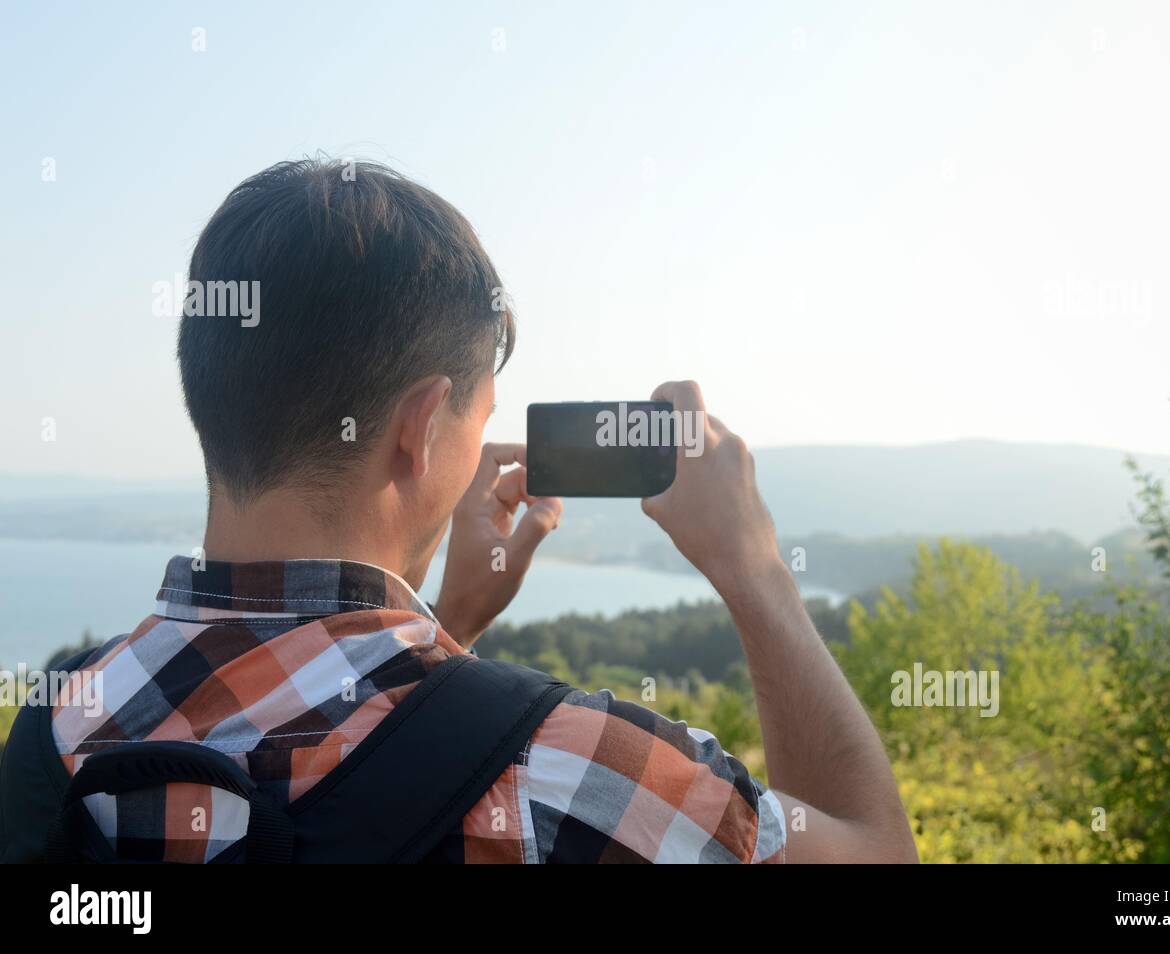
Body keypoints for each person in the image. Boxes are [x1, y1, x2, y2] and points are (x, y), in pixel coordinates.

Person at [0, 159, 915, 864]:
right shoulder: (572, 770)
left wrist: (448, 632)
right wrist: (755, 571)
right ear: (424, 426)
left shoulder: (56, 730)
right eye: (481, 416)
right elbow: (874, 852)